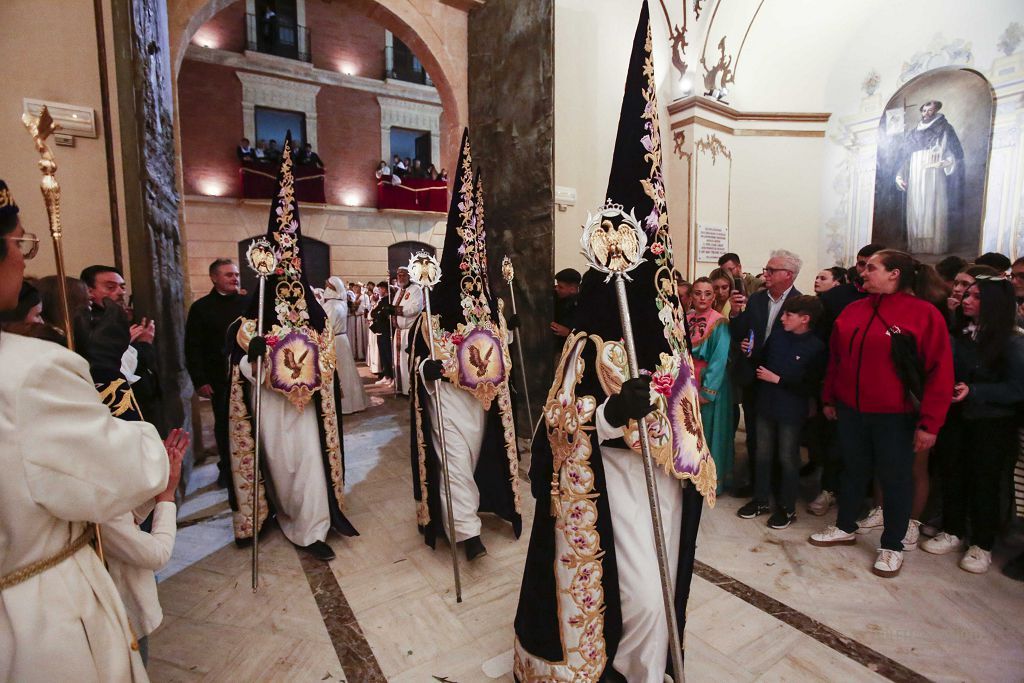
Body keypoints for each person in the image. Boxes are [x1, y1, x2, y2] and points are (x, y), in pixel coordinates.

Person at [514, 8, 714, 679]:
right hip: (614, 486)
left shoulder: (672, 333)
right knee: (639, 604)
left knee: (661, 600)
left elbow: (688, 409)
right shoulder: (589, 340)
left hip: (666, 485)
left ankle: (649, 668)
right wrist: (611, 412)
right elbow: (557, 424)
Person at [0, 177, 171, 682]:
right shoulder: (30, 369)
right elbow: (122, 473)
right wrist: (146, 440)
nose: (24, 259)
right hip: (35, 612)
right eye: (18, 243)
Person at [225, 135, 357, 560]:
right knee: (285, 469)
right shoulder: (251, 320)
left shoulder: (314, 315)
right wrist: (256, 356)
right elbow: (241, 364)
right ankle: (286, 517)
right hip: (274, 408)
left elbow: (327, 359)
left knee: (312, 469)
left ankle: (314, 528)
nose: (290, 293)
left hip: (308, 410)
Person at [410, 134, 521, 558]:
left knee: (473, 458)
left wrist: (507, 332)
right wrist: (429, 371)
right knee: (453, 461)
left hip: (484, 400)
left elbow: (502, 353)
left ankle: (475, 513)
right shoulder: (434, 309)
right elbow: (418, 359)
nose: (474, 277)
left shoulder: (490, 304)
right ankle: (466, 532)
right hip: (447, 397)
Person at [809, 250, 953, 578]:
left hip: (895, 414)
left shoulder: (923, 315)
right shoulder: (853, 310)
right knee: (853, 470)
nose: (864, 273)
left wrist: (930, 423)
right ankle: (845, 526)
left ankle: (892, 545)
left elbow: (939, 372)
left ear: (894, 274)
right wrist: (829, 397)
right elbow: (836, 359)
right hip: (851, 410)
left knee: (896, 478)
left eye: (872, 268)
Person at [922, 277, 1024, 573]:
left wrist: (976, 391)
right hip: (957, 417)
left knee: (985, 483)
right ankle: (953, 530)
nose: (967, 300)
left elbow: (1018, 388)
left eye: (976, 297)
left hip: (992, 423)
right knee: (952, 473)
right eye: (967, 295)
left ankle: (982, 543)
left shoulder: (1013, 341)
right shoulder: (961, 334)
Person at [737, 295, 826, 528]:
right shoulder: (777, 337)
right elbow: (761, 361)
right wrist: (749, 350)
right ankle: (760, 499)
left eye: (788, 315)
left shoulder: (816, 347)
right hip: (766, 405)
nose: (783, 318)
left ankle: (787, 508)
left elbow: (811, 385)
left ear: (805, 319)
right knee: (762, 454)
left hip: (791, 411)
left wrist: (779, 380)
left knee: (788, 458)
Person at [104, 428, 189, 665]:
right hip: (120, 613)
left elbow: (127, 518)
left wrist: (160, 485)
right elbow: (157, 554)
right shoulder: (93, 498)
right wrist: (166, 497)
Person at [728, 250, 803, 496]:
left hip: (782, 382)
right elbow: (741, 331)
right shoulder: (758, 299)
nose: (765, 274)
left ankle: (780, 490)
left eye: (771, 270)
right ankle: (757, 485)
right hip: (754, 376)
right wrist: (736, 314)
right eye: (766, 269)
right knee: (755, 436)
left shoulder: (800, 304)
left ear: (788, 275)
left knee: (783, 442)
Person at [184, 258, 248, 490]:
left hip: (249, 377)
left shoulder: (248, 303)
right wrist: (200, 380)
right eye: (229, 275)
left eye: (236, 274)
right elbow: (193, 347)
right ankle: (228, 470)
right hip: (219, 378)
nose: (235, 278)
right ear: (214, 278)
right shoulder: (201, 308)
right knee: (224, 424)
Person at [79, 264, 163, 434]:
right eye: (111, 287)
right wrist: (143, 344)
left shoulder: (121, 318)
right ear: (89, 291)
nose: (120, 292)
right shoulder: (92, 326)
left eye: (122, 287)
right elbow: (113, 366)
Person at [895, 100, 965, 255]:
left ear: (936, 111)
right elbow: (906, 159)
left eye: (931, 110)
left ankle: (933, 247)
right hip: (915, 172)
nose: (927, 113)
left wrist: (944, 163)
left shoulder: (944, 128)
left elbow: (954, 155)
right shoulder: (912, 133)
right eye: (924, 110)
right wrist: (899, 176)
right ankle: (918, 247)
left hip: (934, 173)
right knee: (917, 208)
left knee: (932, 207)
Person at [688, 277, 734, 494]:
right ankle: (690, 473)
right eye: (697, 293)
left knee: (709, 431)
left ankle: (709, 480)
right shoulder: (685, 318)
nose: (702, 298)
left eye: (707, 293)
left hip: (709, 382)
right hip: (687, 381)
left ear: (714, 296)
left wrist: (708, 390)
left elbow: (719, 357)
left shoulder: (719, 321)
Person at [321, 276, 368, 414]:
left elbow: (326, 326)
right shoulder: (340, 303)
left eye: (328, 286)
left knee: (340, 372)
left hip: (334, 340)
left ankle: (343, 404)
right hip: (342, 339)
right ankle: (353, 402)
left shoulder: (331, 305)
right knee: (347, 371)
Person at [550, 267, 580, 343]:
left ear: (572, 289)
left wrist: (569, 333)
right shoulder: (555, 296)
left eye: (560, 287)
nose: (556, 289)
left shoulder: (584, 305)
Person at [348, 282, 369, 361]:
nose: (356, 289)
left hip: (362, 317)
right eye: (355, 287)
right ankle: (356, 353)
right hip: (356, 318)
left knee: (362, 335)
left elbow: (367, 306)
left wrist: (362, 308)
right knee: (356, 336)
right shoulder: (354, 296)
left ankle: (362, 354)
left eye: (358, 287)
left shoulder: (365, 296)